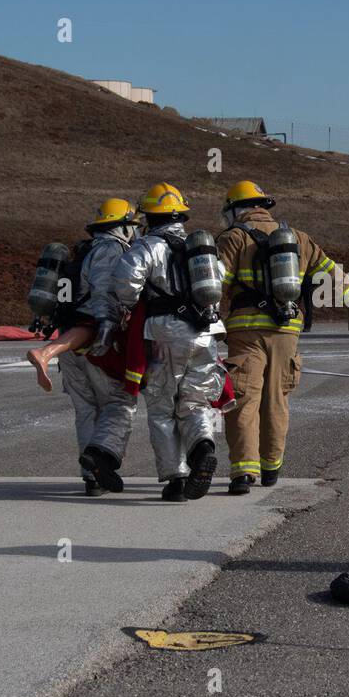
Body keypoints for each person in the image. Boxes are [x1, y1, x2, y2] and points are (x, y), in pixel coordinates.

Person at [215, 180, 349, 494]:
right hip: (287, 330)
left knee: (244, 399)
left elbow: (216, 286)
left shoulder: (232, 238)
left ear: (236, 209)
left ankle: (243, 472)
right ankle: (271, 468)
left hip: (246, 331)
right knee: (276, 400)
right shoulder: (299, 238)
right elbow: (332, 271)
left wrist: (211, 325)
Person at [105, 183, 224, 502]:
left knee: (161, 407)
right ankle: (202, 449)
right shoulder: (201, 248)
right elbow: (220, 280)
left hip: (163, 334)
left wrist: (130, 306)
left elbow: (124, 281)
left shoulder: (146, 246)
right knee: (195, 403)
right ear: (179, 215)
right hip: (205, 333)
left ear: (149, 216)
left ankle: (176, 479)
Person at [26, 199, 140, 496]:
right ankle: (99, 459)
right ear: (124, 226)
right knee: (118, 403)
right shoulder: (111, 250)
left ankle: (91, 477)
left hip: (69, 340)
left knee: (86, 409)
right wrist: (105, 328)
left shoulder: (81, 250)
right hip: (96, 341)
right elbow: (104, 291)